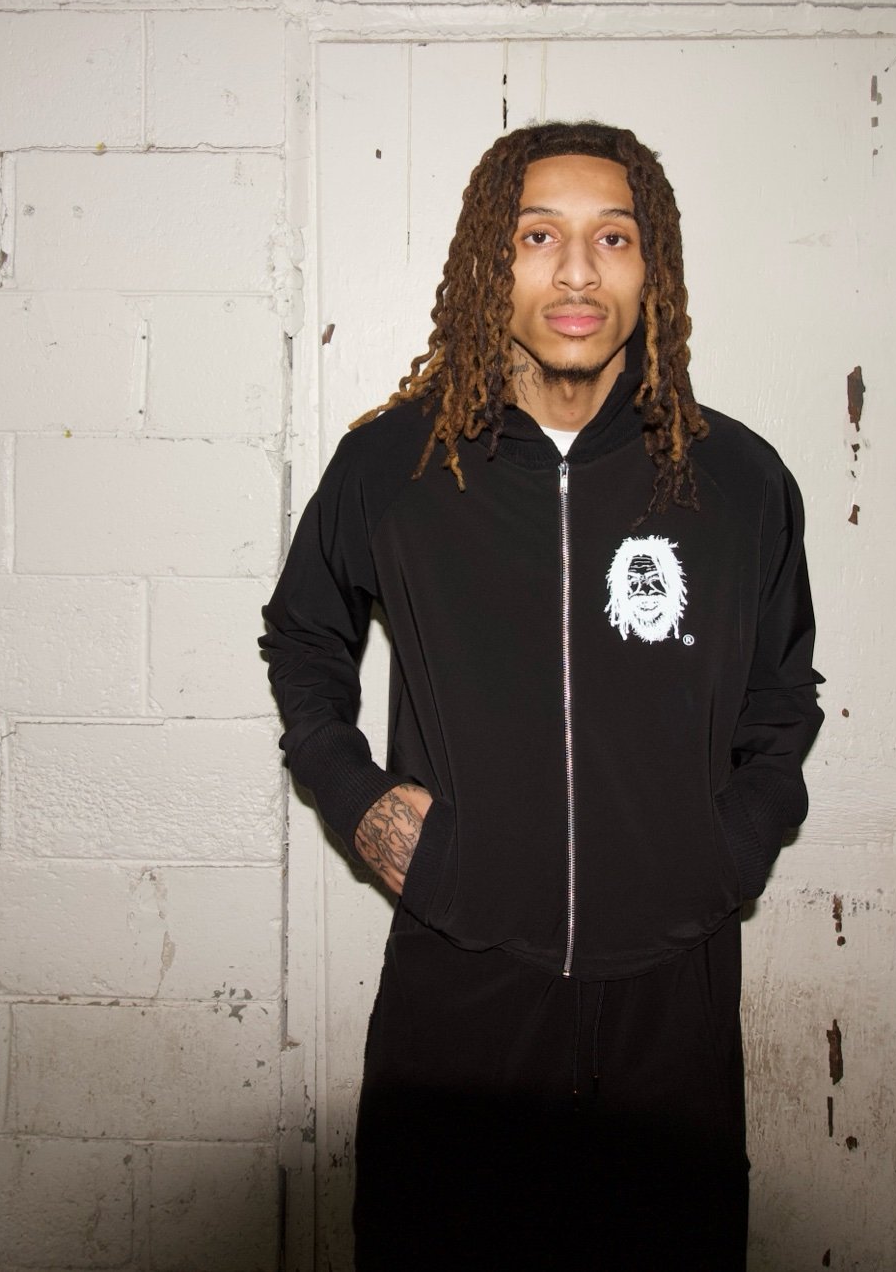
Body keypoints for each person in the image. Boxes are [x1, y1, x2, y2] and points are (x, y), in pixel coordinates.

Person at [260, 121, 826, 1271]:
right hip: (460, 982)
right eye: (537, 237)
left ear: (652, 268)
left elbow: (782, 692)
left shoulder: (735, 477)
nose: (576, 272)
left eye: (612, 237)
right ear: (491, 260)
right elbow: (305, 634)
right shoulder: (398, 467)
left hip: (671, 997)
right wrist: (358, 799)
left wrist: (730, 847)